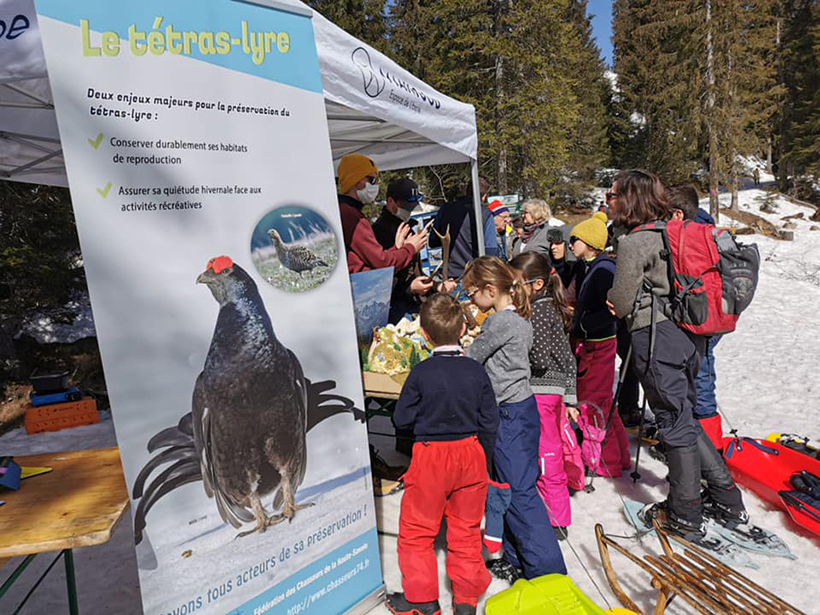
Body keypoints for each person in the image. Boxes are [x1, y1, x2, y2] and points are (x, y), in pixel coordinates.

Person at [606, 169, 747, 540]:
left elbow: (620, 302)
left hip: (655, 337)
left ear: (629, 200)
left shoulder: (634, 242)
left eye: (613, 195)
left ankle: (685, 512)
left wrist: (614, 303)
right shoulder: (673, 231)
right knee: (683, 415)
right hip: (690, 334)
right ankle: (726, 496)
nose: (608, 201)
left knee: (672, 419)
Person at [387, 294, 498, 615]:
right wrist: (484, 458)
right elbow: (490, 420)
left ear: (424, 334)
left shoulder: (421, 373)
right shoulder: (477, 372)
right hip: (471, 453)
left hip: (430, 456)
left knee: (418, 531)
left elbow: (402, 420)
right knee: (464, 532)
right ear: (464, 328)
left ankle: (422, 600)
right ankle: (465, 603)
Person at [463, 256, 567, 582]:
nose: (470, 299)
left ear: (490, 290)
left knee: (519, 492)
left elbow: (472, 358)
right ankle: (516, 556)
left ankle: (547, 572)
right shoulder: (515, 318)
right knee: (507, 486)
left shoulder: (501, 323)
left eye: (472, 293)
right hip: (519, 411)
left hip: (508, 414)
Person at [509, 252, 584, 539]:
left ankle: (555, 520)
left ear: (536, 285)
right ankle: (555, 513)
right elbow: (567, 357)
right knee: (549, 450)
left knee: (545, 455)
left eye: (517, 284)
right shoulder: (549, 306)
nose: (513, 290)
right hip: (553, 392)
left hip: (541, 390)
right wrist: (570, 395)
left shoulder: (539, 311)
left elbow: (539, 358)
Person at [568, 214, 631, 478]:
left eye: (575, 240)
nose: (570, 244)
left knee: (592, 405)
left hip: (598, 343)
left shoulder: (603, 271)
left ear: (589, 242)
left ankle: (608, 462)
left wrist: (581, 325)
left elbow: (611, 311)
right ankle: (621, 455)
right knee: (604, 401)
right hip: (595, 342)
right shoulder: (591, 267)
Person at [667, 185, 723, 451]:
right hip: (708, 314)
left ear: (678, 213)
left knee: (699, 381)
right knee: (697, 378)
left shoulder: (692, 233)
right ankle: (699, 445)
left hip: (698, 316)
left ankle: (709, 453)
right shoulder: (708, 229)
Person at [337, 154, 427, 273]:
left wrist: (397, 248)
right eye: (372, 180)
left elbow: (376, 261)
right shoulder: (350, 215)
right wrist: (411, 248)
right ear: (356, 180)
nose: (376, 185)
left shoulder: (343, 211)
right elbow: (382, 264)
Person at [372, 178, 436, 322]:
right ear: (390, 202)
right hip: (394, 310)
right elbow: (381, 279)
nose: (410, 211)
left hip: (414, 304)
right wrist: (409, 289)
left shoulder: (407, 228)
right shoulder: (378, 233)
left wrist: (435, 286)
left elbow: (415, 271)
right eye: (406, 206)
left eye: (413, 206)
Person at [431, 177, 499, 278]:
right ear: (484, 196)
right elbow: (491, 251)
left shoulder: (446, 209)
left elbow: (433, 241)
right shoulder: (485, 214)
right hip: (475, 276)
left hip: (450, 276)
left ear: (466, 192)